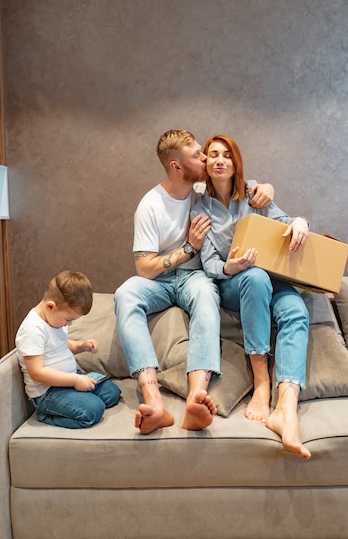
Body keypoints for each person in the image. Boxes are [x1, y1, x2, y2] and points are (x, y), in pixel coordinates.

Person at [114, 129, 274, 435]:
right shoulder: (150, 205)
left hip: (194, 277)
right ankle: (154, 402)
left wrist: (267, 187)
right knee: (125, 294)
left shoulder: (202, 193)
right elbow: (145, 268)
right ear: (176, 166)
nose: (205, 159)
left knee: (205, 294)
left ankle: (196, 397)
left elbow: (240, 185)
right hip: (159, 280)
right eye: (198, 155)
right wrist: (188, 248)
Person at [191, 134, 311, 459]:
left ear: (235, 162)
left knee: (296, 310)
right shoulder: (199, 207)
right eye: (213, 154)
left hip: (272, 278)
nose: (220, 160)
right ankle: (261, 384)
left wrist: (300, 222)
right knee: (254, 277)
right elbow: (210, 263)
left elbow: (286, 222)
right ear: (205, 163)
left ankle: (286, 406)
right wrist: (229, 266)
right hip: (234, 284)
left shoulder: (255, 193)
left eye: (226, 155)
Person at [16, 270, 121, 428]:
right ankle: (45, 415)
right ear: (50, 306)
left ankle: (77, 400)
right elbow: (37, 372)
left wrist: (82, 345)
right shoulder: (32, 329)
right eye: (68, 319)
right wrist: (76, 381)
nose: (69, 324)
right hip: (49, 392)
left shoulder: (55, 320)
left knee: (112, 393)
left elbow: (63, 345)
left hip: (69, 378)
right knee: (94, 410)